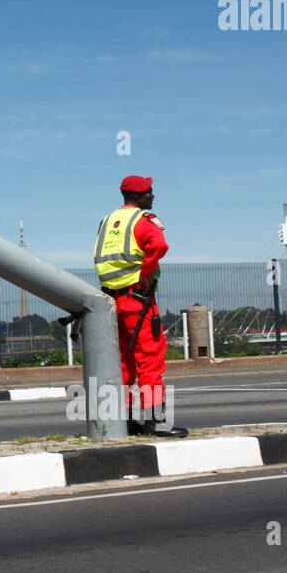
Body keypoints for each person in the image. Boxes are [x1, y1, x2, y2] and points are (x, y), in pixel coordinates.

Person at [93, 175, 187, 437]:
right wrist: (146, 271)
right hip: (138, 300)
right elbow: (159, 245)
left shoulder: (107, 221)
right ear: (136, 197)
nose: (153, 196)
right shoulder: (142, 221)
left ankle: (123, 421)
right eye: (149, 192)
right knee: (150, 357)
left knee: (122, 360)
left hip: (111, 301)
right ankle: (157, 421)